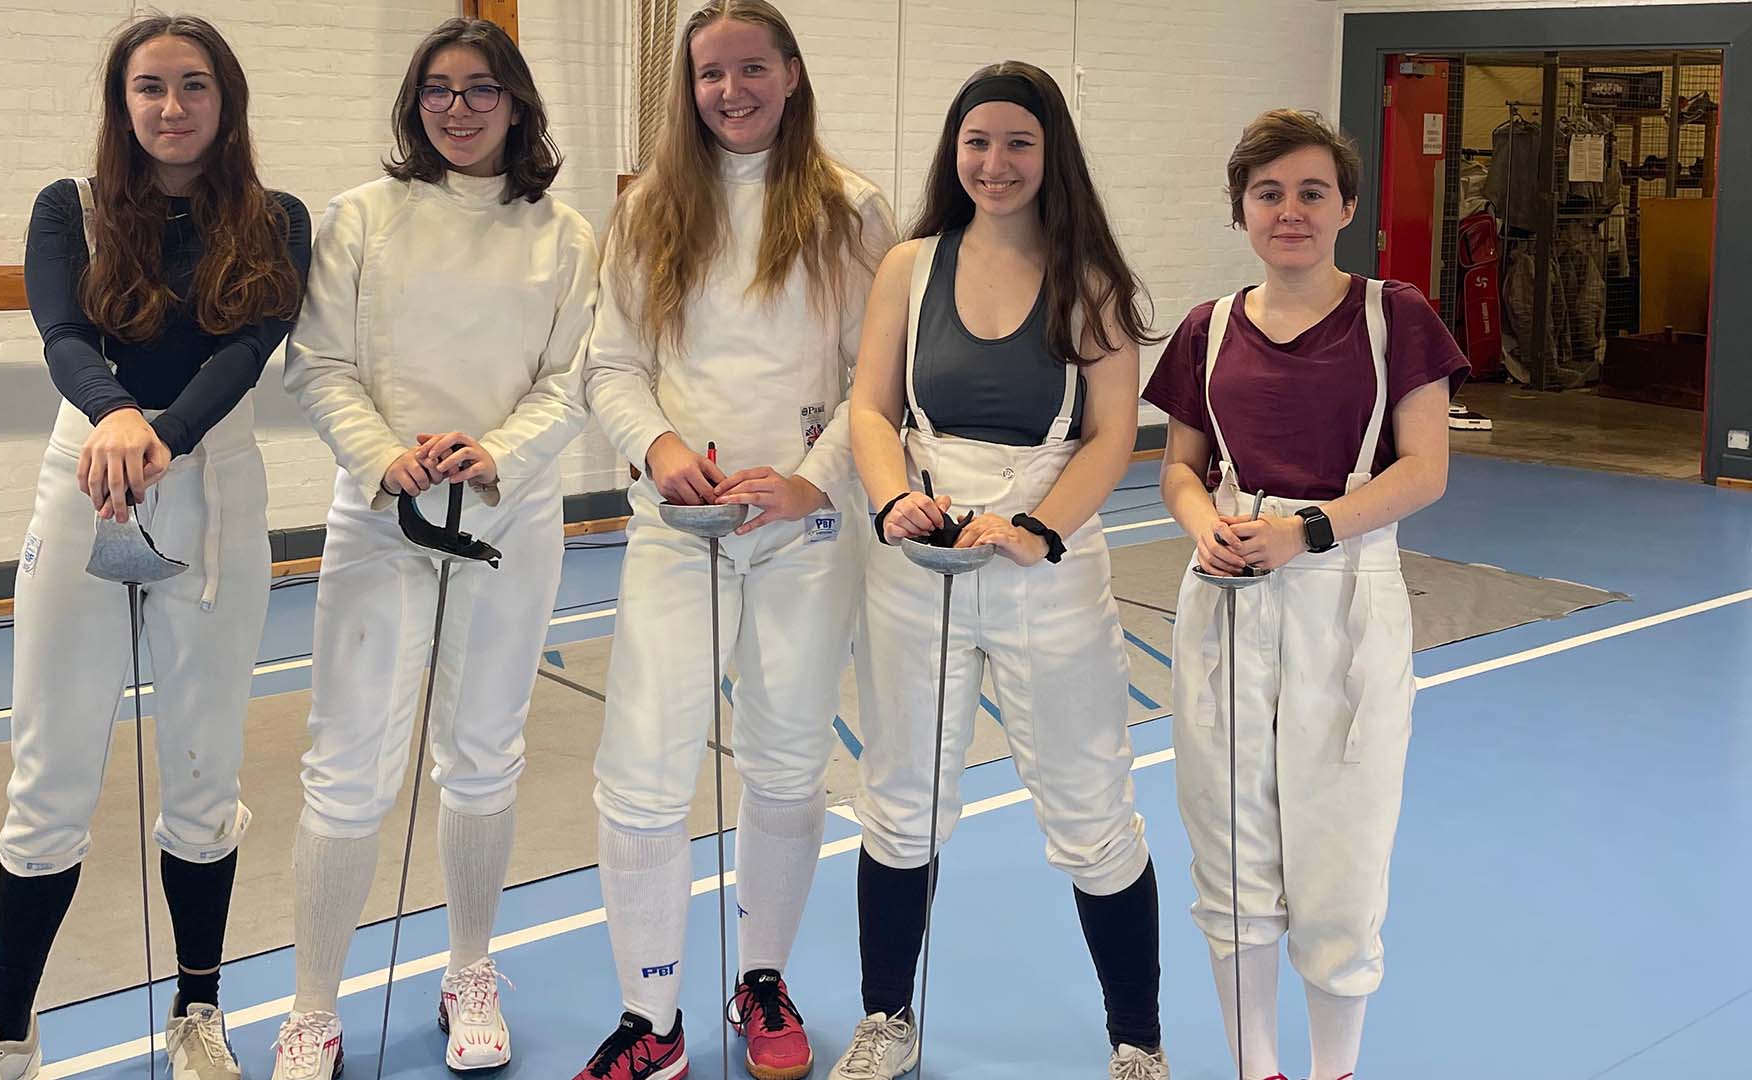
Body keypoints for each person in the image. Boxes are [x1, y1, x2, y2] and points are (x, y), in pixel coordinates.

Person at [0, 15, 309, 1080]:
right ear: (122, 102)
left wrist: (166, 432)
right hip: (88, 476)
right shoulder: (73, 208)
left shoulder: (276, 219)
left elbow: (249, 348)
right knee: (50, 771)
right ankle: (7, 1031)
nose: (171, 107)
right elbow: (61, 331)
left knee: (203, 764)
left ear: (225, 101)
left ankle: (198, 1013)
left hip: (213, 486)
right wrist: (113, 414)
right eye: (149, 87)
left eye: (194, 86)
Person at [269, 17, 596, 1079]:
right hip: (380, 518)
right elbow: (318, 361)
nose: (458, 109)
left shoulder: (567, 235)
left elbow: (574, 379)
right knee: (348, 763)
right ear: (415, 105)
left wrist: (494, 452)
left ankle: (468, 969)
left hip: (510, 515)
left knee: (483, 750)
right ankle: (313, 1006)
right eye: (439, 92)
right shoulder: (360, 219)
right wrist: (385, 457)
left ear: (517, 103)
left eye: (481, 89)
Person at [576, 2, 895, 1077]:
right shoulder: (650, 210)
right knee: (643, 772)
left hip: (802, 532)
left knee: (789, 763)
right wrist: (659, 447)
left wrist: (811, 482)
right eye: (711, 74)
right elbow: (612, 366)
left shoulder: (851, 211)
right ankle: (651, 1021)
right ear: (689, 86)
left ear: (792, 73)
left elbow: (873, 381)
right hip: (680, 527)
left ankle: (762, 980)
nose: (731, 91)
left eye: (752, 68)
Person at [838, 61, 1169, 1080]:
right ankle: (886, 1020)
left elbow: (1113, 437)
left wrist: (1038, 530)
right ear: (955, 152)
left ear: (1050, 153)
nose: (995, 162)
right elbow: (868, 407)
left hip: (1045, 564)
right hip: (919, 559)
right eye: (977, 142)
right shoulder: (909, 265)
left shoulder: (1094, 280)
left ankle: (1138, 1037)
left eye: (1018, 143)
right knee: (898, 796)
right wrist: (895, 497)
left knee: (1090, 802)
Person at [1143, 109, 1466, 1080]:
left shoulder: (1393, 315)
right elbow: (1179, 468)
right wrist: (1205, 523)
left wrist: (1307, 531)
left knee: (1340, 850)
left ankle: (1333, 1069)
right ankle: (1256, 1067)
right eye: (1269, 193)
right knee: (1230, 848)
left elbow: (1426, 471)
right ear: (1241, 209)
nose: (1290, 210)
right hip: (1229, 593)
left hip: (1343, 594)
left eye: (1311, 192)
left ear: (1347, 206)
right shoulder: (1206, 329)